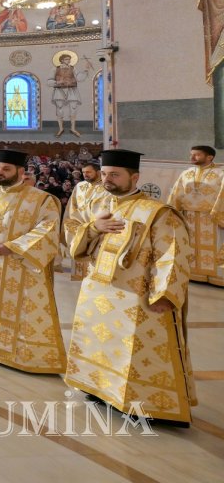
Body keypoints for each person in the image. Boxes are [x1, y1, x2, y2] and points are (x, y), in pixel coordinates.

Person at [65, 149, 196, 426]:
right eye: (103, 174)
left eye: (114, 174)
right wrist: (92, 228)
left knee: (133, 351)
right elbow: (76, 238)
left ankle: (148, 404)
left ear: (134, 177)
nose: (107, 179)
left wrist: (165, 293)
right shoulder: (98, 204)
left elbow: (173, 253)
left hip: (136, 296)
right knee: (101, 343)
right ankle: (99, 389)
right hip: (99, 291)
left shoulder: (157, 212)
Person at [0, 149, 65, 373]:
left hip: (23, 264)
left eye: (6, 169)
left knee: (25, 311)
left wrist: (13, 247)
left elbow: (48, 229)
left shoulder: (42, 199)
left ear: (20, 171)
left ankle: (26, 355)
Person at [166, 144, 224, 286]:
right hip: (189, 217)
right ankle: (193, 274)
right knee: (190, 245)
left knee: (215, 246)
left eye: (197, 154)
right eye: (191, 154)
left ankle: (217, 277)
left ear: (209, 157)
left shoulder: (221, 173)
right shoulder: (186, 173)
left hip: (211, 218)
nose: (192, 157)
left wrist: (218, 214)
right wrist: (172, 213)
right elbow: (176, 194)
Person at [64, 162, 107, 281]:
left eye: (88, 172)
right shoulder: (79, 186)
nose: (85, 175)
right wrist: (71, 224)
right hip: (80, 229)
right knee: (80, 272)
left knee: (94, 272)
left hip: (97, 230)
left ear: (98, 172)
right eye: (83, 172)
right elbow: (72, 206)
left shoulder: (106, 187)